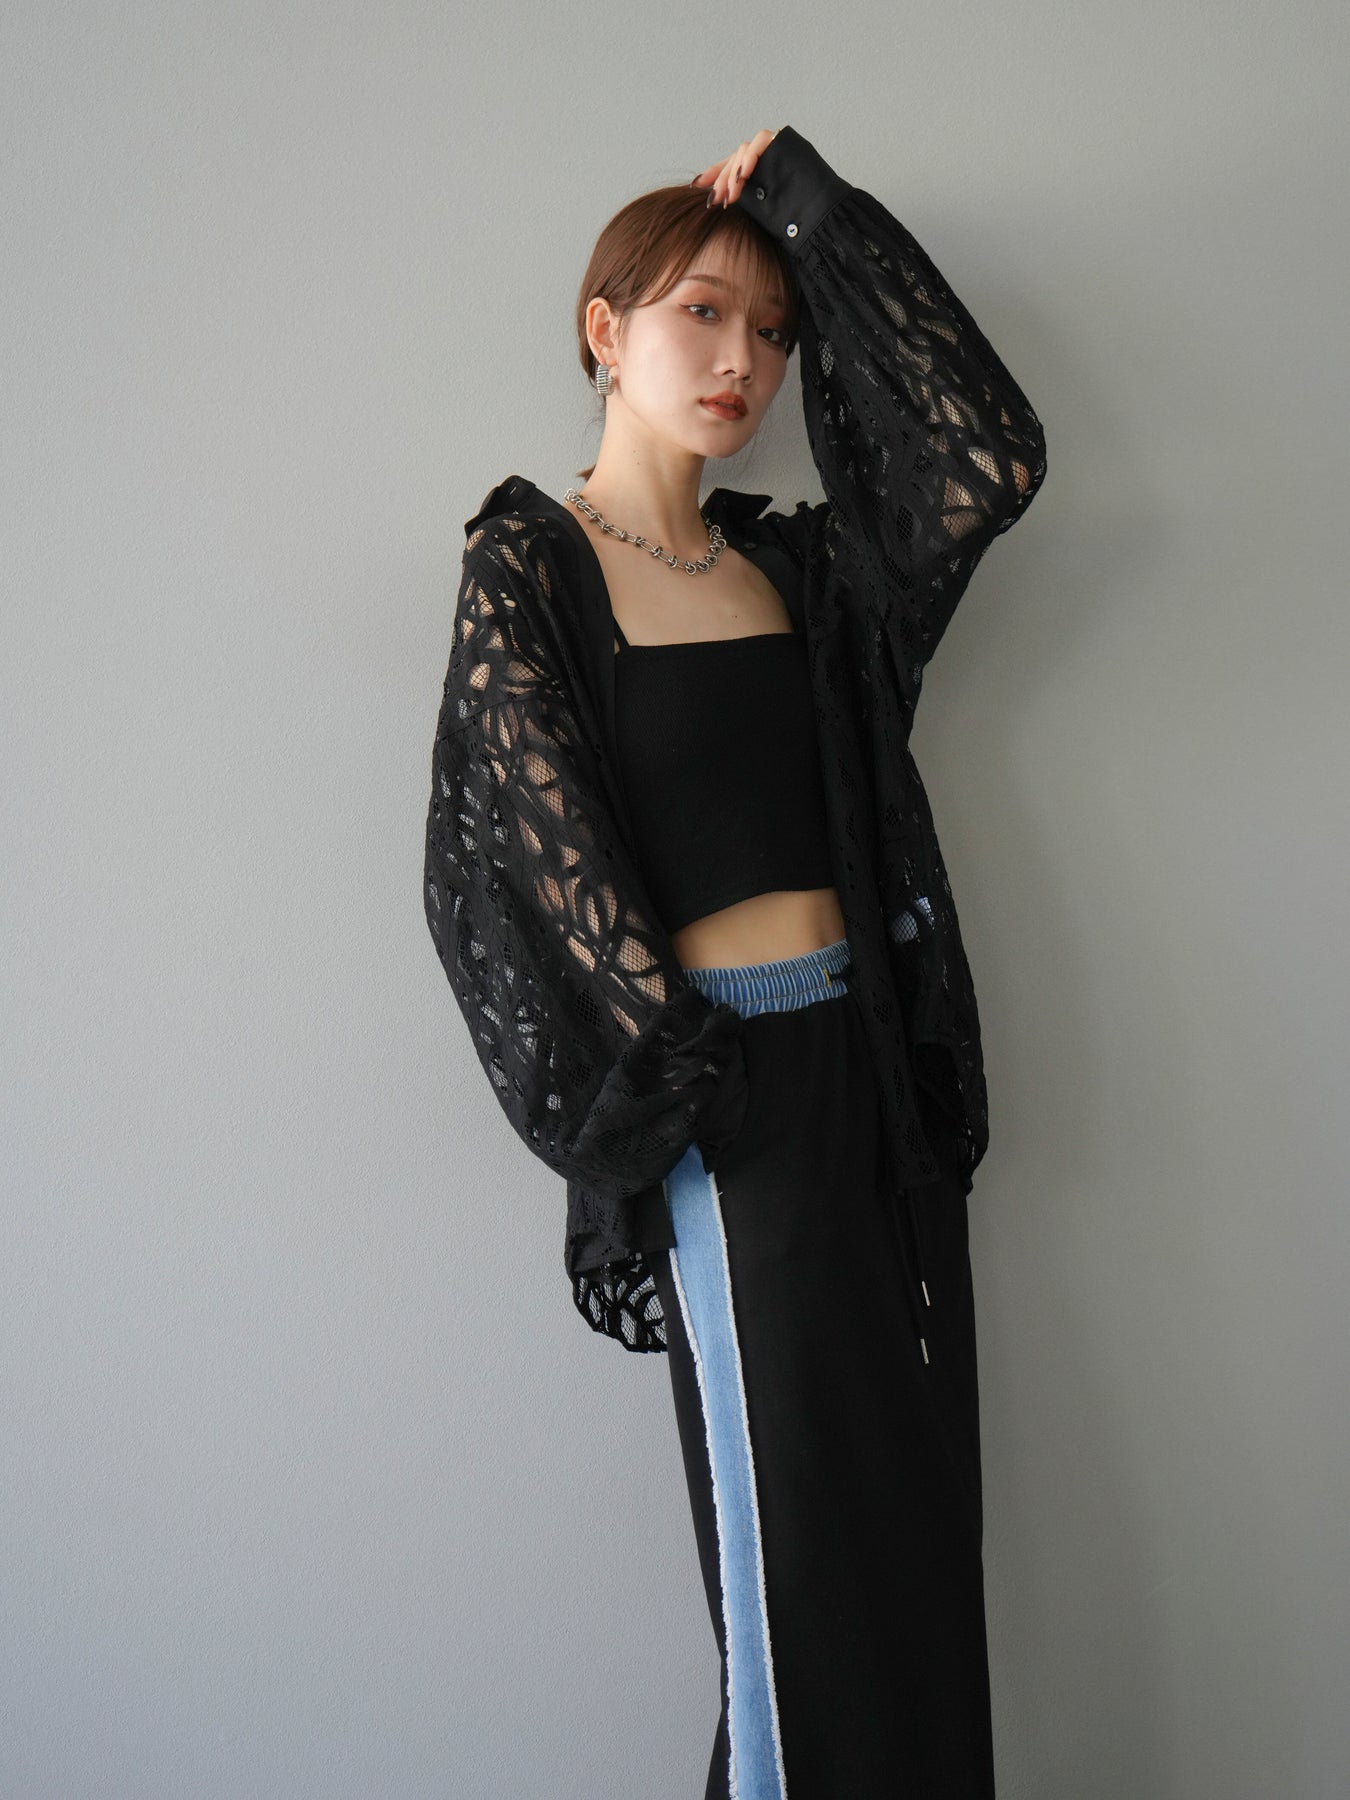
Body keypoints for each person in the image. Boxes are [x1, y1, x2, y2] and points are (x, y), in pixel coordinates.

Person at [423, 125, 1047, 1799]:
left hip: (869, 1084)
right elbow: (514, 879)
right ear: (603, 328)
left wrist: (805, 209)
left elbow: (983, 458)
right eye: (701, 313)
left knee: (907, 1551)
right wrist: (688, 1080)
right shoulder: (531, 570)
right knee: (801, 1583)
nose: (743, 362)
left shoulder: (803, 573)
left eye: (773, 332)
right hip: (725, 1107)